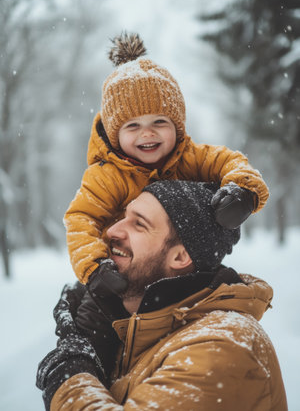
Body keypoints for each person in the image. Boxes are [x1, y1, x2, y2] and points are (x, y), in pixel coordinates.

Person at [37, 181, 287, 411]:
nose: (112, 230)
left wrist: (72, 374)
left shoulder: (224, 345)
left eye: (139, 224)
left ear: (180, 257)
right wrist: (96, 337)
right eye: (124, 217)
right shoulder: (146, 329)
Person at [64, 32, 269, 300]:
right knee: (96, 319)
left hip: (179, 270)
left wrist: (242, 191)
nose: (147, 134)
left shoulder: (189, 156)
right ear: (115, 135)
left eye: (159, 122)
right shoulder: (106, 176)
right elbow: (81, 219)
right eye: (133, 126)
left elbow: (230, 161)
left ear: (177, 126)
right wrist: (94, 267)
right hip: (121, 275)